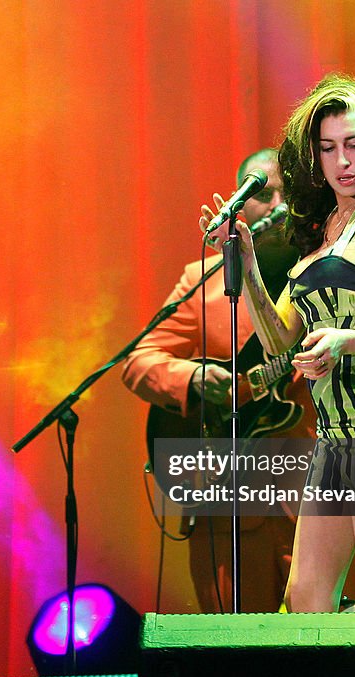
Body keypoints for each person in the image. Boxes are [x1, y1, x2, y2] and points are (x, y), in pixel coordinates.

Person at [202, 75, 355, 612]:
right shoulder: (317, 232)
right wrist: (244, 260)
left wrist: (346, 339)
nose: (343, 161)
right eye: (329, 149)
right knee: (306, 597)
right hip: (333, 437)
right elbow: (277, 340)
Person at [123, 149, 310, 614]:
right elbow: (138, 361)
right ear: (238, 204)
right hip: (226, 501)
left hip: (311, 498)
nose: (278, 206)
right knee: (235, 658)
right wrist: (192, 377)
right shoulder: (201, 281)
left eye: (290, 195)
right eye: (263, 194)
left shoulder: (329, 273)